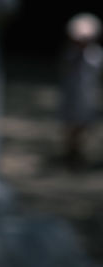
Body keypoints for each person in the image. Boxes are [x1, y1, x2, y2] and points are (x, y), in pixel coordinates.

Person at [60, 13, 103, 168]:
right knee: (70, 124)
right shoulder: (70, 53)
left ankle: (78, 152)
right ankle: (71, 152)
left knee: (84, 124)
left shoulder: (96, 54)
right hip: (72, 93)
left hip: (88, 94)